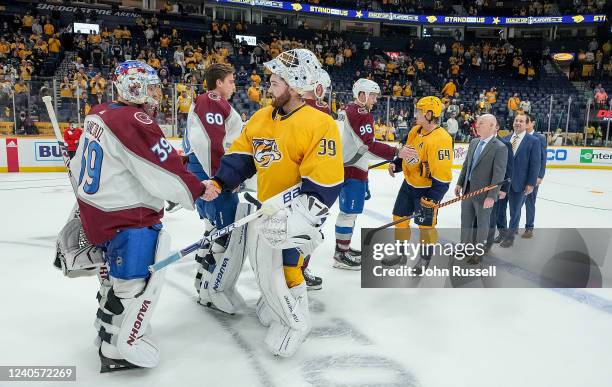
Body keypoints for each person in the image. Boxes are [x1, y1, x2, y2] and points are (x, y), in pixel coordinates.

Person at [202, 49, 343, 357]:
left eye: (276, 82)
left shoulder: (321, 124)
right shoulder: (262, 117)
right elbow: (242, 155)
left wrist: (302, 219)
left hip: (296, 210)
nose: (269, 87)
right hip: (264, 206)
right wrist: (219, 182)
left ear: (295, 85)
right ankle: (272, 304)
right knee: (264, 266)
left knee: (288, 266)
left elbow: (326, 180)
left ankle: (295, 323)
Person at [67, 61, 207, 372]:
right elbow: (164, 167)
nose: (156, 93)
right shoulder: (135, 119)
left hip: (97, 214)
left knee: (112, 281)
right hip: (128, 219)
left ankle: (106, 329)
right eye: (151, 86)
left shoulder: (98, 112)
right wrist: (196, 188)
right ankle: (117, 348)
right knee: (134, 284)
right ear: (134, 87)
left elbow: (102, 164)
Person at [183, 63, 245, 313]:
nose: (233, 86)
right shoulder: (211, 99)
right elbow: (210, 142)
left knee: (213, 231)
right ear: (218, 83)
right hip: (211, 175)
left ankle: (203, 282)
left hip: (203, 174)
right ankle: (212, 290)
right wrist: (222, 179)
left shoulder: (209, 102)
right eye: (230, 81)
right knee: (225, 234)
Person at [333, 79, 401, 270]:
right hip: (352, 170)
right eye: (372, 96)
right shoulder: (361, 113)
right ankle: (341, 254)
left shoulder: (348, 109)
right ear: (362, 94)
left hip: (349, 167)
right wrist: (396, 152)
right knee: (349, 213)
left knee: (348, 213)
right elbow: (368, 146)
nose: (375, 100)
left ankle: (342, 248)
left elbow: (358, 146)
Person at [384, 96, 453, 274]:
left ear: (430, 114)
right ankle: (401, 254)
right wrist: (396, 164)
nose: (416, 114)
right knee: (399, 217)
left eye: (419, 111)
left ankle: (424, 259)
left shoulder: (441, 139)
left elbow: (443, 176)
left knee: (425, 226)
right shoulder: (416, 130)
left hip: (427, 190)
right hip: (409, 184)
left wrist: (433, 198)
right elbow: (406, 153)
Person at [455, 114, 508, 264]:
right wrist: (460, 183)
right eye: (478, 123)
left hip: (484, 195)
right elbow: (467, 165)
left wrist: (492, 196)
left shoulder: (500, 147)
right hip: (467, 190)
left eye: (482, 123)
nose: (477, 126)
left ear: (492, 126)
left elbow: (499, 174)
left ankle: (478, 252)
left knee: (482, 224)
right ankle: (464, 247)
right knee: (465, 221)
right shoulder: (473, 142)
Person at [300, 53, 332, 290]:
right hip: (313, 182)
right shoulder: (322, 113)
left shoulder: (293, 106)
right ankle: (298, 271)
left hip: (289, 179)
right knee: (308, 230)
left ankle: (291, 271)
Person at [496, 114, 541, 247]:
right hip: (503, 183)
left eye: (521, 121)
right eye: (516, 120)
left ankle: (510, 237)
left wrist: (531, 183)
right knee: (500, 210)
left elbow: (535, 164)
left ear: (527, 124)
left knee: (515, 211)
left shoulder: (533, 141)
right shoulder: (505, 139)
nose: (518, 123)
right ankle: (502, 233)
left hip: (520, 183)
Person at [522, 112, 547, 238]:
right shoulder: (519, 136)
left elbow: (543, 159)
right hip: (519, 177)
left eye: (526, 121)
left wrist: (540, 176)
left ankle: (529, 227)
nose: (524, 124)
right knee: (516, 204)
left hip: (532, 177)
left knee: (530, 202)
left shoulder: (539, 138)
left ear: (532, 123)